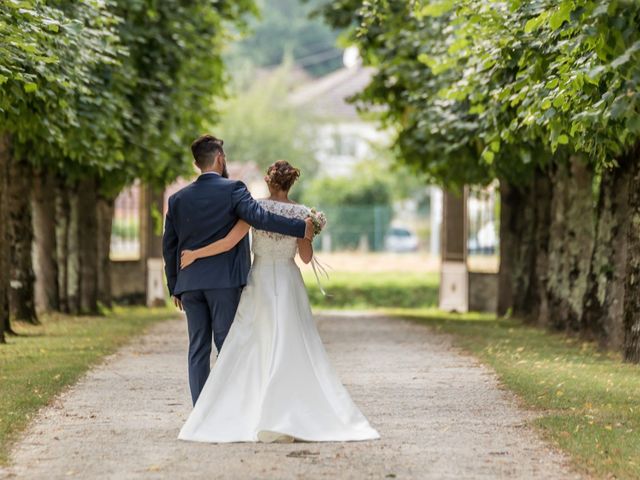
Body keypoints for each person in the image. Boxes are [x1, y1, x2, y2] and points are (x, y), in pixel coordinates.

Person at [177, 160, 380, 443]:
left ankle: (244, 410)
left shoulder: (254, 209)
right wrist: (309, 232)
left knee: (253, 344)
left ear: (269, 181)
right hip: (287, 281)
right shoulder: (302, 214)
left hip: (259, 279)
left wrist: (196, 254)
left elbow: (227, 242)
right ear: (291, 183)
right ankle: (290, 412)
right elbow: (306, 258)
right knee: (291, 344)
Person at [162, 136, 315, 405]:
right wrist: (300, 227)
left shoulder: (177, 199)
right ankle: (225, 409)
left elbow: (170, 246)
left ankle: (201, 410)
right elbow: (260, 217)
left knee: (197, 348)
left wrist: (174, 285)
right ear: (220, 158)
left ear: (197, 163)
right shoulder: (234, 189)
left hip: (190, 284)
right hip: (224, 282)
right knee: (226, 345)